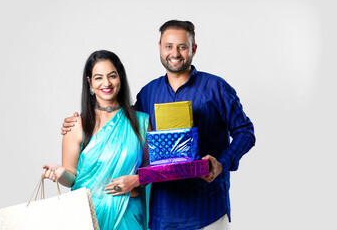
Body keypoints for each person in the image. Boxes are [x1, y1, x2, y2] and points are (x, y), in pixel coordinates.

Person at [62, 20, 255, 230]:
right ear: (160, 48)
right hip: (162, 214)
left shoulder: (215, 87)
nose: (175, 53)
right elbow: (121, 128)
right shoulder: (148, 93)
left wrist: (222, 163)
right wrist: (79, 122)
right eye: (169, 46)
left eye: (182, 46)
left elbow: (245, 131)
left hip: (206, 209)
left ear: (193, 49)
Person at [43, 50, 150, 230]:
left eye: (112, 76)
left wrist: (137, 179)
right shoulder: (76, 125)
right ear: (90, 82)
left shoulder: (141, 122)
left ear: (120, 78)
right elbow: (71, 177)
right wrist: (61, 173)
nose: (106, 83)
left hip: (128, 216)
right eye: (98, 78)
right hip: (88, 217)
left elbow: (156, 171)